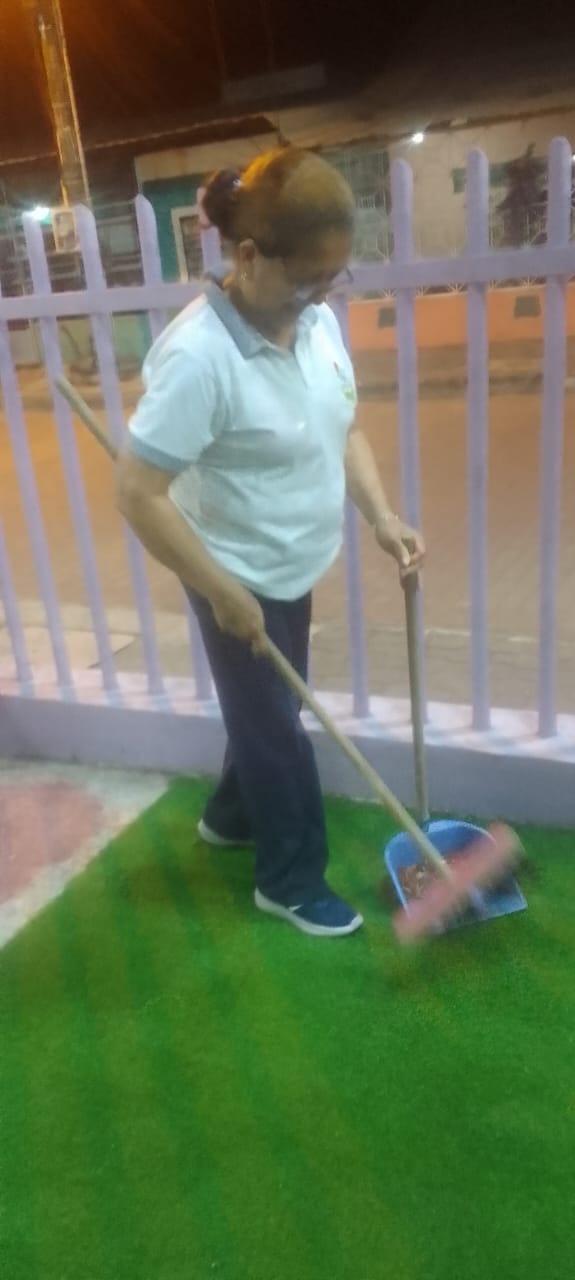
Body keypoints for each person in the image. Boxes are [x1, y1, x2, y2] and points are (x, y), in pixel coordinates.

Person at [117, 146, 425, 939]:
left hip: (291, 562)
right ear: (248, 256)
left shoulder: (314, 323)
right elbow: (138, 492)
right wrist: (222, 591)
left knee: (268, 709)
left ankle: (229, 817)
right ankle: (288, 880)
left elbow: (343, 426)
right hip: (232, 568)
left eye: (333, 276)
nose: (321, 295)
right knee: (278, 731)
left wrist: (381, 516)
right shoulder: (198, 359)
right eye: (306, 277)